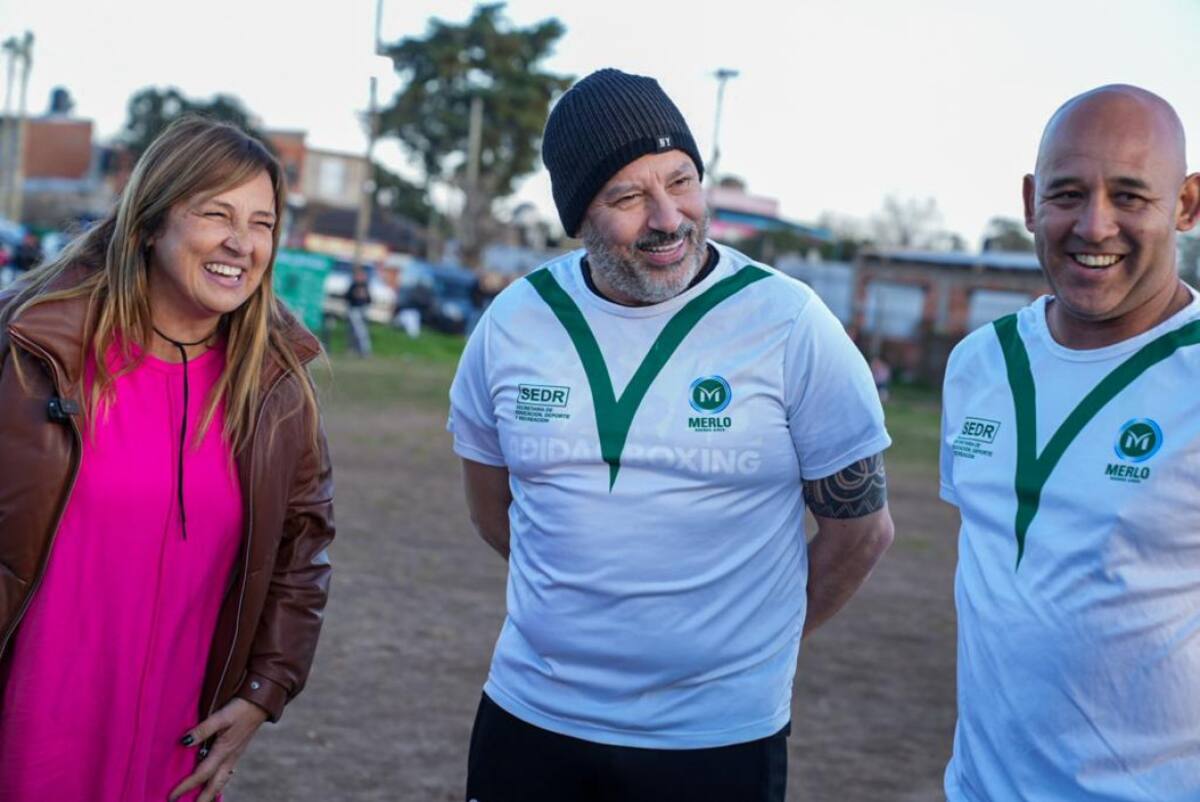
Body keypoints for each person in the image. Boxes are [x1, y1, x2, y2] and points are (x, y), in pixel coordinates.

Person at [448, 68, 895, 801]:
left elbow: (861, 534)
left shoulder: (788, 322)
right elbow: (493, 511)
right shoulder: (513, 323)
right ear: (578, 214)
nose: (668, 217)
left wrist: (744, 652)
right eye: (628, 196)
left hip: (715, 738)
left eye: (681, 181)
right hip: (532, 717)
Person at [0, 116, 335, 802]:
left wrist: (265, 692)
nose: (241, 244)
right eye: (216, 214)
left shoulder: (276, 387)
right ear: (151, 225)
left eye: (263, 223)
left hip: (173, 748)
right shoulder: (35, 354)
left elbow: (304, 549)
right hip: (27, 735)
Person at [940, 85, 1200, 800]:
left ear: (1186, 205)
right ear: (1030, 202)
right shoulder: (978, 364)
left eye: (1130, 196)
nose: (1095, 224)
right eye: (1067, 193)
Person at [345, 264, 373, 356]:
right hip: (354, 310)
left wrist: (364, 297)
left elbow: (369, 300)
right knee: (355, 332)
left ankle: (364, 350)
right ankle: (354, 349)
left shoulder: (365, 286)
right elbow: (347, 297)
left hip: (362, 310)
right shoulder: (353, 286)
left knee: (362, 332)